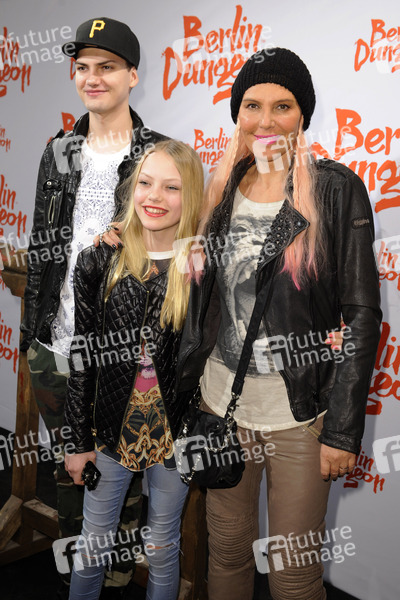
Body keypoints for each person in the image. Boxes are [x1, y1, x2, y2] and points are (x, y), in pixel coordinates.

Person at [175, 48, 382, 600]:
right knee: (226, 553)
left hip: (299, 417)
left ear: (302, 115)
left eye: (282, 106)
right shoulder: (220, 189)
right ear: (237, 113)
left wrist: (341, 432)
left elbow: (362, 315)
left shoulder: (336, 190)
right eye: (252, 105)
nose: (265, 120)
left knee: (293, 576)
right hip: (221, 407)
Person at [20, 17, 165, 598]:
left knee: (120, 481)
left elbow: (173, 257)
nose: (92, 77)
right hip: (55, 347)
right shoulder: (57, 151)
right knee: (70, 472)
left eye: (107, 66)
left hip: (122, 353)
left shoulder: (158, 155)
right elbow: (42, 244)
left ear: (132, 75)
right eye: (82, 67)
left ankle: (118, 578)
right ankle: (75, 574)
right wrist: (32, 335)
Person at [63, 139, 205, 600]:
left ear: (191, 197)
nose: (154, 197)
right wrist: (77, 441)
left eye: (171, 187)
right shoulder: (99, 259)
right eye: (146, 183)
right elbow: (82, 356)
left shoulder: (201, 270)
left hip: (174, 435)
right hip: (109, 430)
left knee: (162, 546)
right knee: (93, 546)